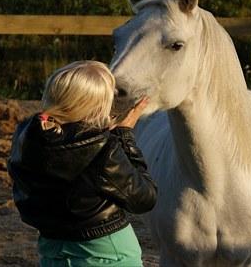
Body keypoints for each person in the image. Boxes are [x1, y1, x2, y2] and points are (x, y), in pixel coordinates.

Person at [8, 60, 156, 266]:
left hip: (53, 251)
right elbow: (144, 198)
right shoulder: (103, 150)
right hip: (108, 253)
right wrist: (124, 137)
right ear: (97, 106)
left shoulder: (25, 136)